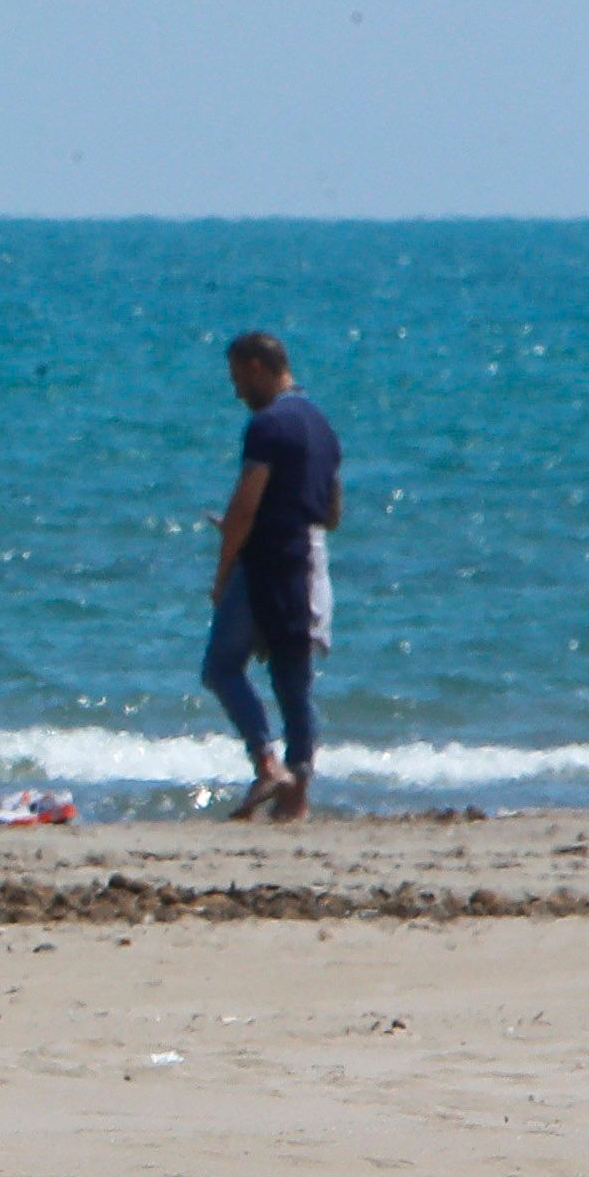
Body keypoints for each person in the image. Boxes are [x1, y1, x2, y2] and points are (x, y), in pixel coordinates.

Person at [206, 331, 341, 821]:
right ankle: (296, 797)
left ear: (257, 368)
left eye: (238, 379)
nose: (237, 391)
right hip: (308, 560)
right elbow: (332, 511)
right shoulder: (321, 425)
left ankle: (267, 762)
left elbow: (246, 503)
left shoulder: (267, 425)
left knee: (221, 666)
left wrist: (223, 571)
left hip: (267, 562)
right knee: (293, 680)